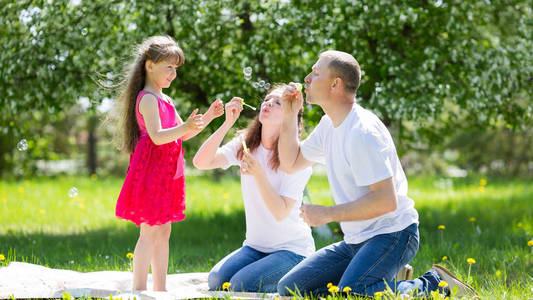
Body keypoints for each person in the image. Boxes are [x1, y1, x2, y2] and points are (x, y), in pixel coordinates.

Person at [276, 51, 477, 298]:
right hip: (356, 241)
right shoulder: (329, 125)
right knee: (290, 289)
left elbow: (385, 201)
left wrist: (327, 214)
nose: (307, 78)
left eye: (316, 72)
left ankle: (434, 285)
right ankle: (382, 283)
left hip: (393, 234)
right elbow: (291, 162)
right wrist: (288, 116)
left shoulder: (362, 132)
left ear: (335, 84)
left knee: (354, 293)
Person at [112, 35, 224, 291]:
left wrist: (208, 117)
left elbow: (183, 133)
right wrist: (183, 126)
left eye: (176, 68)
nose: (173, 73)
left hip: (167, 173)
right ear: (149, 65)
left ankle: (160, 289)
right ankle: (138, 289)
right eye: (168, 67)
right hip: (151, 172)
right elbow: (157, 136)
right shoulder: (148, 98)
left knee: (164, 233)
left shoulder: (166, 99)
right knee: (149, 232)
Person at [193, 84, 315, 293]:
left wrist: (259, 174)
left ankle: (304, 274)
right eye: (267, 99)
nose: (268, 103)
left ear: (291, 114)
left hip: (291, 250)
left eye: (278, 102)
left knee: (239, 284)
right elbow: (201, 162)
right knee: (216, 280)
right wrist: (227, 123)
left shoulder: (297, 157)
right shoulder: (247, 144)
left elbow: (280, 211)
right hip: (255, 247)